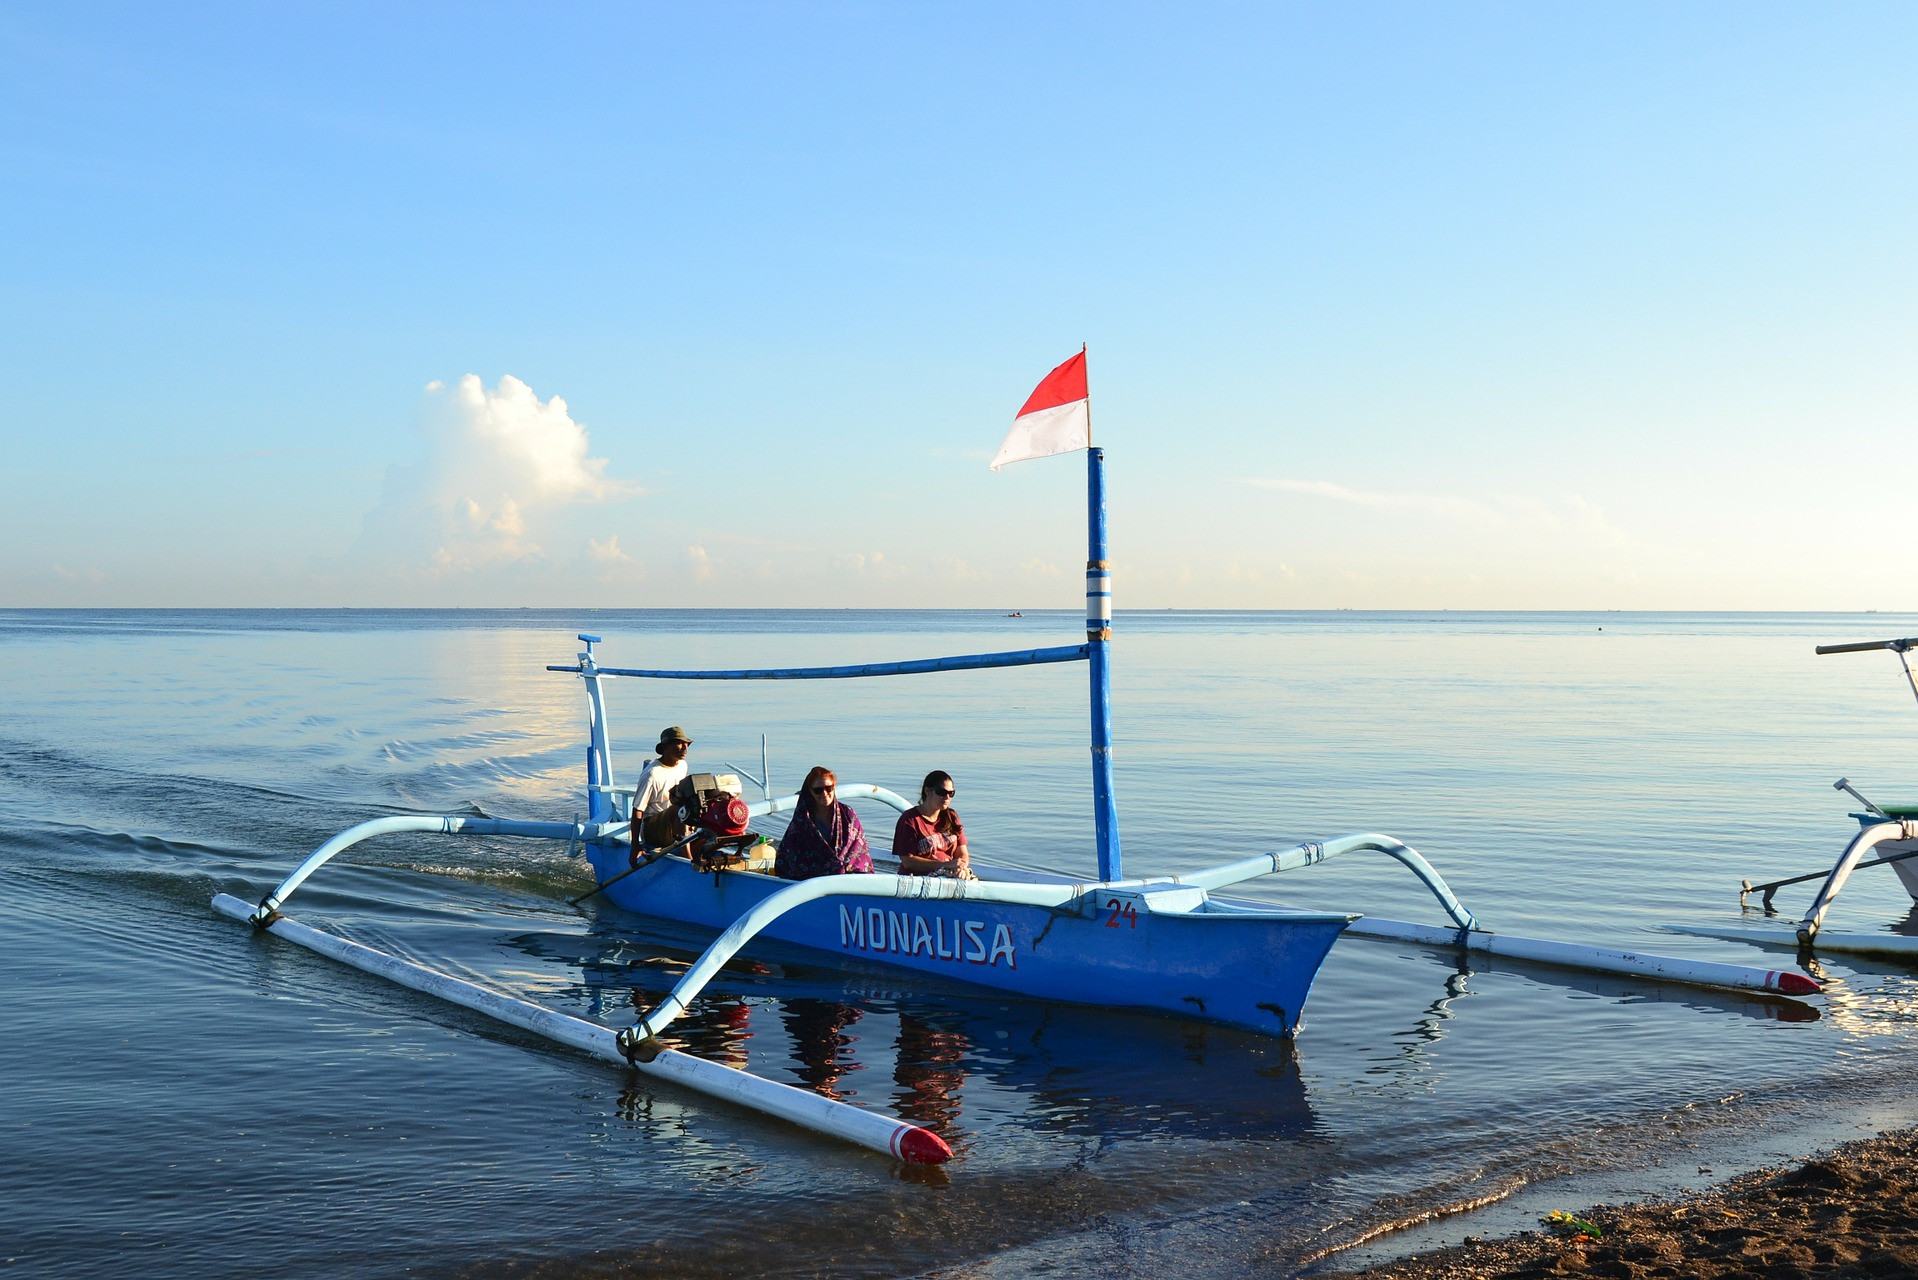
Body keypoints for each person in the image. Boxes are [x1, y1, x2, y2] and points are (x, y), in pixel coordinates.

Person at [775, 766, 872, 879]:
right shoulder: (802, 821)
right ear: (810, 792)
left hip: (847, 881)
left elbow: (859, 850)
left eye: (829, 788)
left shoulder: (848, 815)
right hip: (811, 883)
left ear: (834, 787)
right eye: (818, 790)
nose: (824, 793)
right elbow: (788, 856)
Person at [892, 770, 971, 878]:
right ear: (927, 791)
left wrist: (961, 866)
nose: (947, 797)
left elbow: (962, 853)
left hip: (949, 874)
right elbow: (908, 861)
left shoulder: (952, 817)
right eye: (941, 792)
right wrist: (944, 865)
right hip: (919, 879)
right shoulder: (909, 820)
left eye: (951, 793)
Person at [629, 726, 692, 856]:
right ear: (665, 747)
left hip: (675, 823)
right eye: (679, 744)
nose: (685, 748)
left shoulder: (682, 765)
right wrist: (635, 846)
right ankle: (687, 855)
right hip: (653, 828)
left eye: (687, 744)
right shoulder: (652, 774)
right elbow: (637, 811)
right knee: (678, 809)